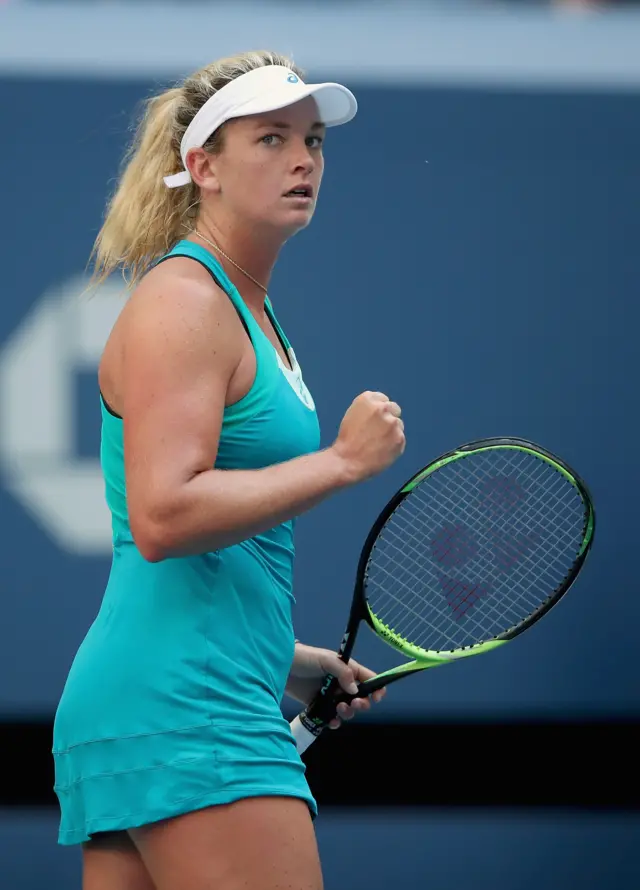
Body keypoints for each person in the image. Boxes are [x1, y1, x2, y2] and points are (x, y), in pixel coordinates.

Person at [52, 50, 405, 890]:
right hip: (188, 709)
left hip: (162, 700)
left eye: (313, 141)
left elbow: (198, 553)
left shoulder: (246, 306)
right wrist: (342, 463)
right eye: (272, 139)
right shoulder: (187, 300)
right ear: (201, 167)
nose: (303, 160)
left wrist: (283, 657)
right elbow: (165, 517)